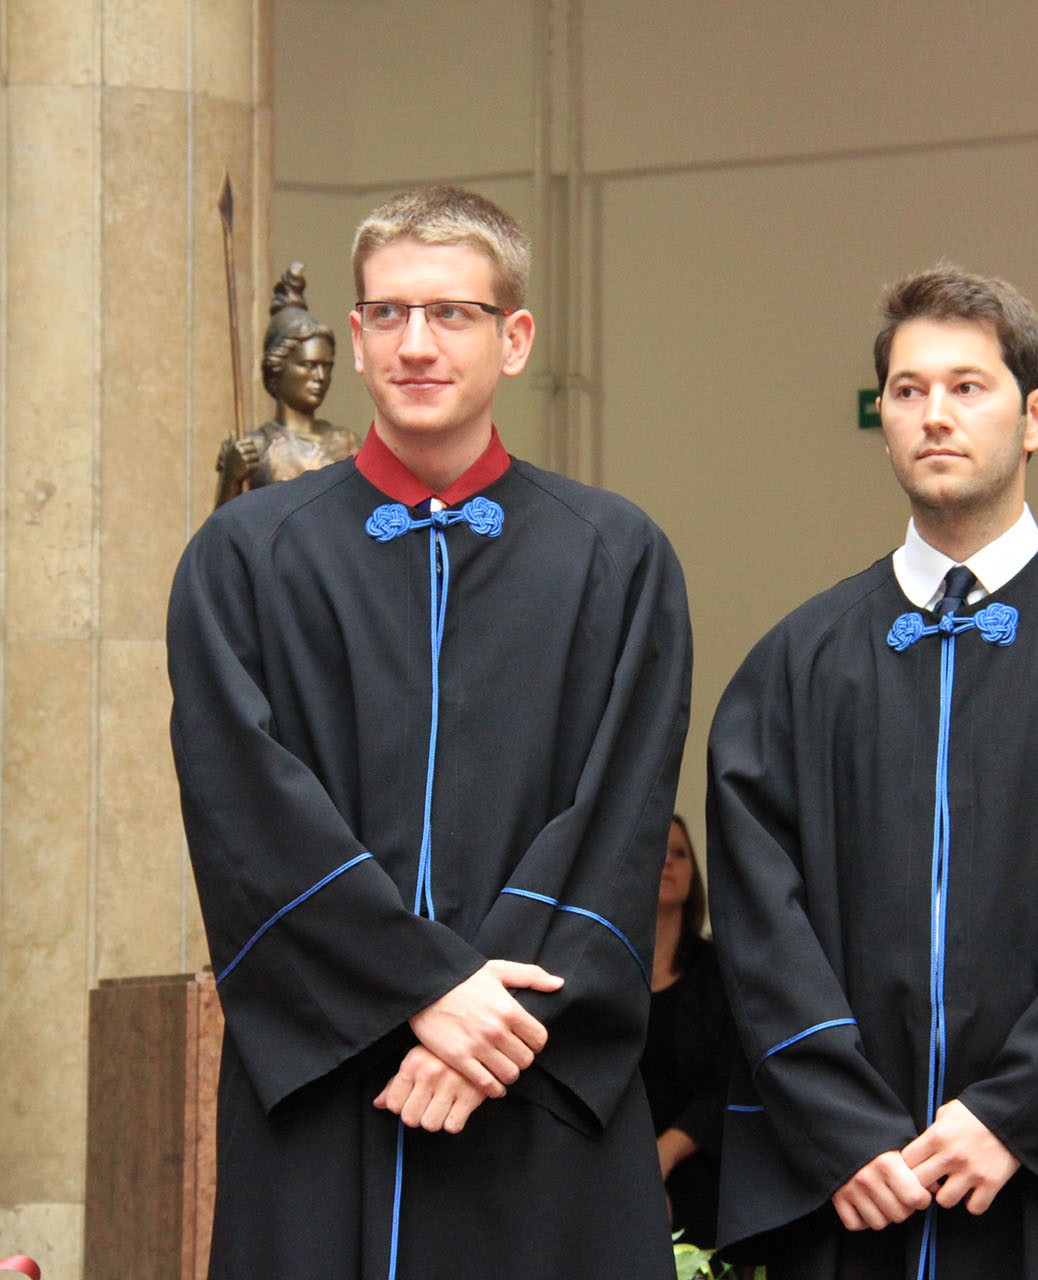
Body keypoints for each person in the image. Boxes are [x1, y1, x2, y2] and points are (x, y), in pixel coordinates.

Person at [168, 186, 692, 1279]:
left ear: (516, 338)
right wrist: (423, 987)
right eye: (389, 314)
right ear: (358, 338)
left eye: (453, 312)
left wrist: (484, 1021)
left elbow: (620, 813)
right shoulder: (248, 557)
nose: (417, 343)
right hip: (329, 1076)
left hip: (532, 1070)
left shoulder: (614, 557)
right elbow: (242, 807)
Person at [706, 265, 1038, 1278]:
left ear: (1035, 416)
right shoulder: (795, 663)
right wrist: (842, 1127)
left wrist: (1011, 1113)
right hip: (855, 1184)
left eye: (967, 386)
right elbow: (758, 919)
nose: (934, 414)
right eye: (907, 391)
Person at [643, 814, 731, 1249]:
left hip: (699, 1175)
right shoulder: (608, 972)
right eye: (657, 851)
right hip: (613, 1169)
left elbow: (728, 1082)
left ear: (693, 874)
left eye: (678, 853)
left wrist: (663, 1155)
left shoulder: (718, 971)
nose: (666, 862)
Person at [214, 262, 360, 507]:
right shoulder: (255, 447)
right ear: (277, 367)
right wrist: (231, 479)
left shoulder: (346, 443)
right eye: (308, 365)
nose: (320, 376)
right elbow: (222, 529)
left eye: (326, 366)